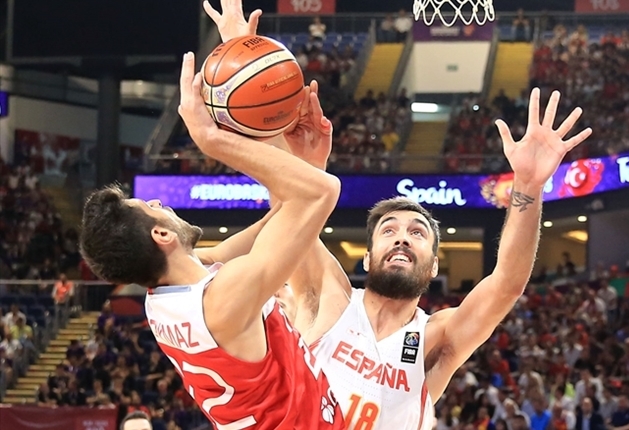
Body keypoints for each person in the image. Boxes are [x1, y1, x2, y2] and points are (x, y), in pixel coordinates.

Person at [206, 4, 591, 429]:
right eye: (389, 230)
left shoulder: (435, 339)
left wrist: (529, 186)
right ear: (368, 258)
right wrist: (240, 55)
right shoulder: (328, 296)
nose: (403, 237)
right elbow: (288, 206)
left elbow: (506, 284)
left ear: (435, 264)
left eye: (417, 232)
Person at [80, 19, 344, 430]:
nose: (159, 202)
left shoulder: (175, 288)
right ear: (162, 235)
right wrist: (211, 138)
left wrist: (240, 53)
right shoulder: (223, 299)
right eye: (151, 205)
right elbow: (319, 193)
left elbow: (285, 213)